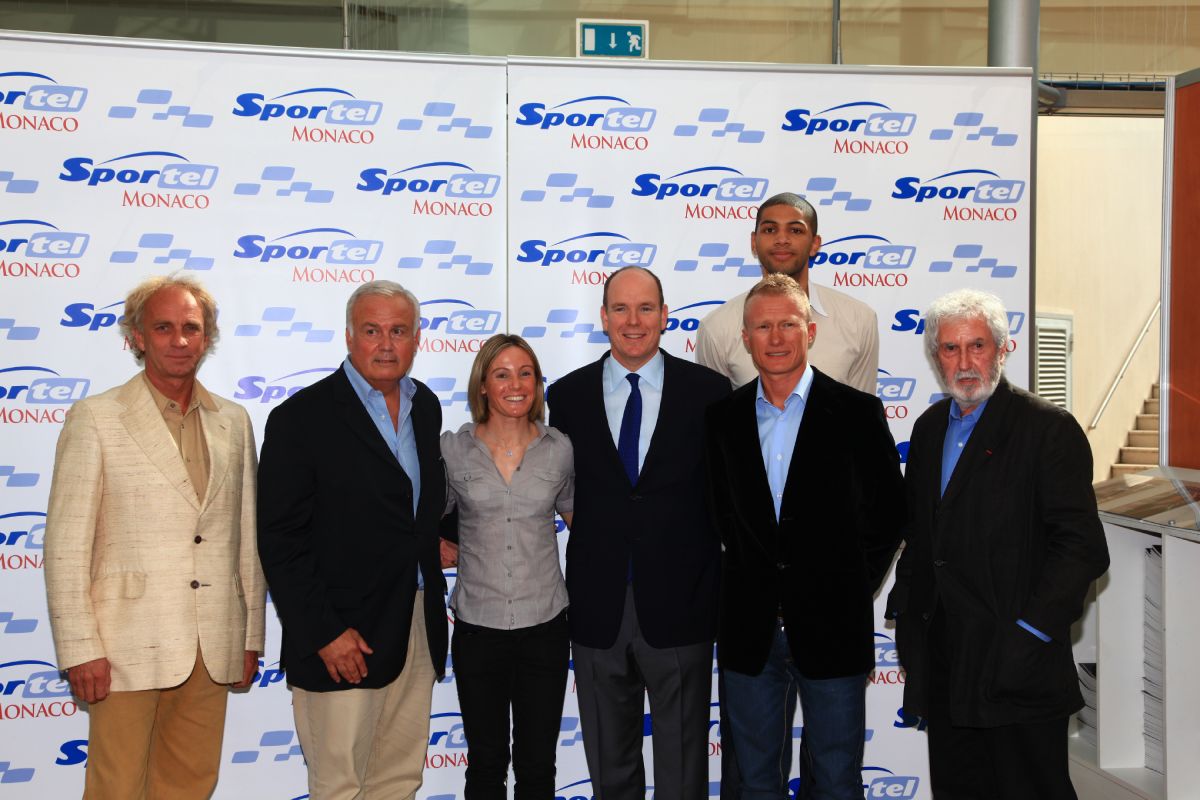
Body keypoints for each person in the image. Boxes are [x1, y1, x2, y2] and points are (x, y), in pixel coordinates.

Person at [43, 274, 265, 799]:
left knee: (190, 785)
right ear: (136, 337)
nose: (179, 339)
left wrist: (250, 636)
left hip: (214, 644)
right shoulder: (95, 418)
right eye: (163, 327)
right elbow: (65, 545)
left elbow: (246, 541)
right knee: (115, 788)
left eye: (191, 327)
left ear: (207, 338)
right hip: (121, 644)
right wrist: (79, 648)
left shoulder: (234, 422)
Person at [886, 288, 1110, 800]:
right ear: (934, 355)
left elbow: (1082, 548)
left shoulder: (1047, 429)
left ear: (1003, 350)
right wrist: (910, 611)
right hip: (944, 664)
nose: (964, 362)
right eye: (950, 349)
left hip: (1018, 666)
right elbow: (921, 536)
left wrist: (1029, 633)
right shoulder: (926, 429)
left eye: (977, 346)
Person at [705, 274, 904, 800]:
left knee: (837, 779)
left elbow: (888, 517)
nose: (775, 337)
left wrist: (845, 586)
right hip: (750, 633)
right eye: (762, 327)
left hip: (834, 628)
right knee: (753, 782)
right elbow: (719, 516)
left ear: (810, 331)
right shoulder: (721, 420)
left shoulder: (858, 413)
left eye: (788, 324)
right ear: (745, 339)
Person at [257, 280, 448, 800]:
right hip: (342, 638)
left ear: (416, 339)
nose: (385, 344)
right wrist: (324, 632)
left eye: (398, 331)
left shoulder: (424, 407)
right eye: (371, 330)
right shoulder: (300, 419)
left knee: (399, 780)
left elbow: (415, 507)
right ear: (348, 336)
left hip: (415, 623)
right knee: (340, 786)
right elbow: (279, 540)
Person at [547, 266, 729, 800]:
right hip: (597, 609)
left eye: (645, 308)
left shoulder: (710, 393)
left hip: (683, 608)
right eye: (621, 309)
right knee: (610, 769)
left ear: (665, 316)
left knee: (683, 769)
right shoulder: (566, 396)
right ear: (603, 318)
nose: (633, 321)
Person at [440, 334, 574, 799]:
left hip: (546, 627)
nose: (515, 385)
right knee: (485, 764)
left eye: (525, 374)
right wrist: (436, 544)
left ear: (537, 384)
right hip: (478, 628)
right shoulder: (452, 450)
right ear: (482, 385)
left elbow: (583, 520)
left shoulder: (560, 450)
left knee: (538, 767)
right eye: (502, 374)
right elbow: (424, 519)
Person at [695, 192, 878, 393]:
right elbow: (717, 418)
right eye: (770, 229)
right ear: (754, 242)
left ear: (815, 244)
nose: (782, 239)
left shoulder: (859, 320)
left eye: (796, 230)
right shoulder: (717, 327)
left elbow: (862, 417)